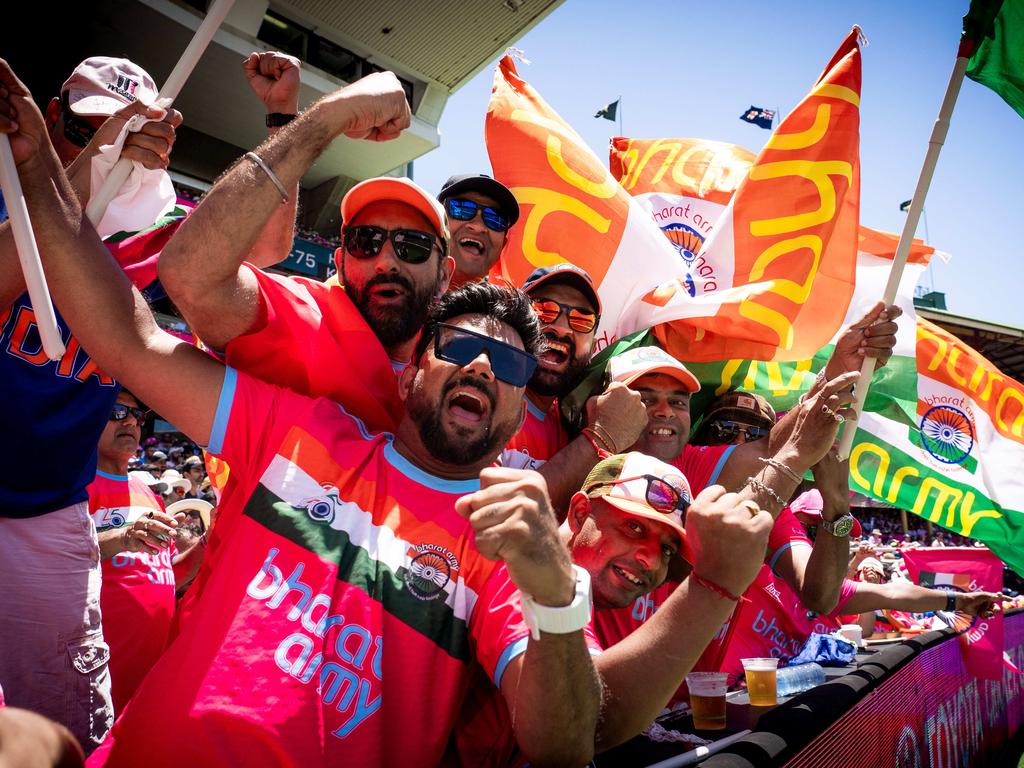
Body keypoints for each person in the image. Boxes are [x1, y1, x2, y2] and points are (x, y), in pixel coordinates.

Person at [3, 57, 601, 763]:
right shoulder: (305, 384)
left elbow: (564, 742)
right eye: (363, 241)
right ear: (413, 373)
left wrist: (559, 594)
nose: (384, 259)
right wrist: (321, 119)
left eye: (410, 246)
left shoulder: (499, 548)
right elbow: (147, 319)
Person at [446, 451, 775, 766]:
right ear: (579, 513)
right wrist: (715, 585)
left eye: (666, 549)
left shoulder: (574, 587)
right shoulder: (522, 573)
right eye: (634, 528)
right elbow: (585, 729)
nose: (650, 559)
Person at [87, 390, 205, 715]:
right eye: (117, 412)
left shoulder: (145, 492)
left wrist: (205, 548)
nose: (131, 422)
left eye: (137, 416)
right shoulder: (74, 483)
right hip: (96, 672)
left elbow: (164, 575)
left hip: (149, 675)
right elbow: (57, 552)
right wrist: (123, 537)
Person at [437, 173, 519, 288]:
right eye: (462, 209)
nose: (478, 227)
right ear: (436, 221)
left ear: (502, 246)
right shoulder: (405, 293)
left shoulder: (508, 305)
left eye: (495, 219)